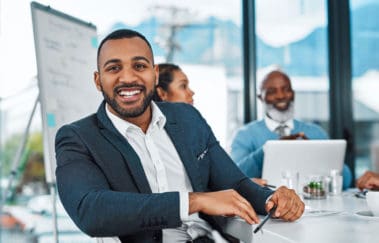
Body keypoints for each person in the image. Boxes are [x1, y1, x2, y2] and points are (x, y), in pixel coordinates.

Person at [55, 29, 304, 243]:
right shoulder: (78, 138)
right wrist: (194, 202)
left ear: (154, 73)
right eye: (114, 68)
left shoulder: (187, 117)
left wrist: (274, 199)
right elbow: (91, 211)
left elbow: (235, 183)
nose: (128, 77)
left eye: (139, 66)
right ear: (98, 80)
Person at [230, 70, 352, 189]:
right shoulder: (244, 135)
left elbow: (346, 181)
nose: (281, 96)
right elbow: (234, 179)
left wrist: (314, 153)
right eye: (272, 91)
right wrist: (268, 150)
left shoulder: (316, 132)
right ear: (260, 97)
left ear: (293, 93)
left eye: (286, 89)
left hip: (316, 204)